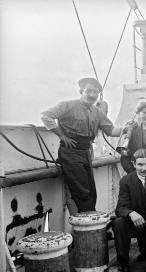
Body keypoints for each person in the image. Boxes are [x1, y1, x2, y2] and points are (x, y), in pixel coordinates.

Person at [41, 77, 125, 212]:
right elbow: (46, 116)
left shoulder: (97, 112)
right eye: (89, 91)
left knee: (92, 192)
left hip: (86, 152)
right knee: (83, 193)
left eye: (95, 92)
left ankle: (89, 221)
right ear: (81, 91)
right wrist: (62, 136)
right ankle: (90, 224)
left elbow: (110, 130)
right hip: (70, 153)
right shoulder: (67, 105)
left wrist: (127, 129)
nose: (92, 95)